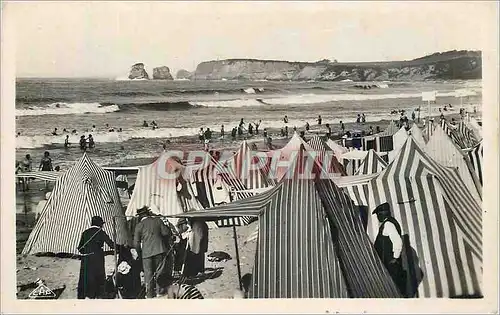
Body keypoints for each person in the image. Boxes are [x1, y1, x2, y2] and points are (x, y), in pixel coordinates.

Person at [134, 206, 173, 299]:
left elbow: (136, 243)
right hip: (159, 250)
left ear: (140, 216)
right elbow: (166, 233)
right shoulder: (157, 221)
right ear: (148, 213)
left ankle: (150, 294)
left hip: (146, 253)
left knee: (148, 275)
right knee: (160, 272)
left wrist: (140, 253)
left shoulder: (139, 225)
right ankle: (160, 292)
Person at [77, 216, 115, 299]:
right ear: (100, 224)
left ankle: (86, 295)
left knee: (86, 276)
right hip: (97, 257)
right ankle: (97, 295)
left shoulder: (85, 232)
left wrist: (87, 251)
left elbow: (80, 248)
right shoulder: (100, 232)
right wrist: (120, 247)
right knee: (98, 276)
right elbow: (111, 244)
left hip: (86, 258)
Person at [372, 203, 406, 294]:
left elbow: (398, 241)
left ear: (382, 214)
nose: (378, 218)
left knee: (393, 287)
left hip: (390, 262)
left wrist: (395, 257)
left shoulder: (388, 224)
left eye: (378, 215)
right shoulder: (391, 222)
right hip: (388, 261)